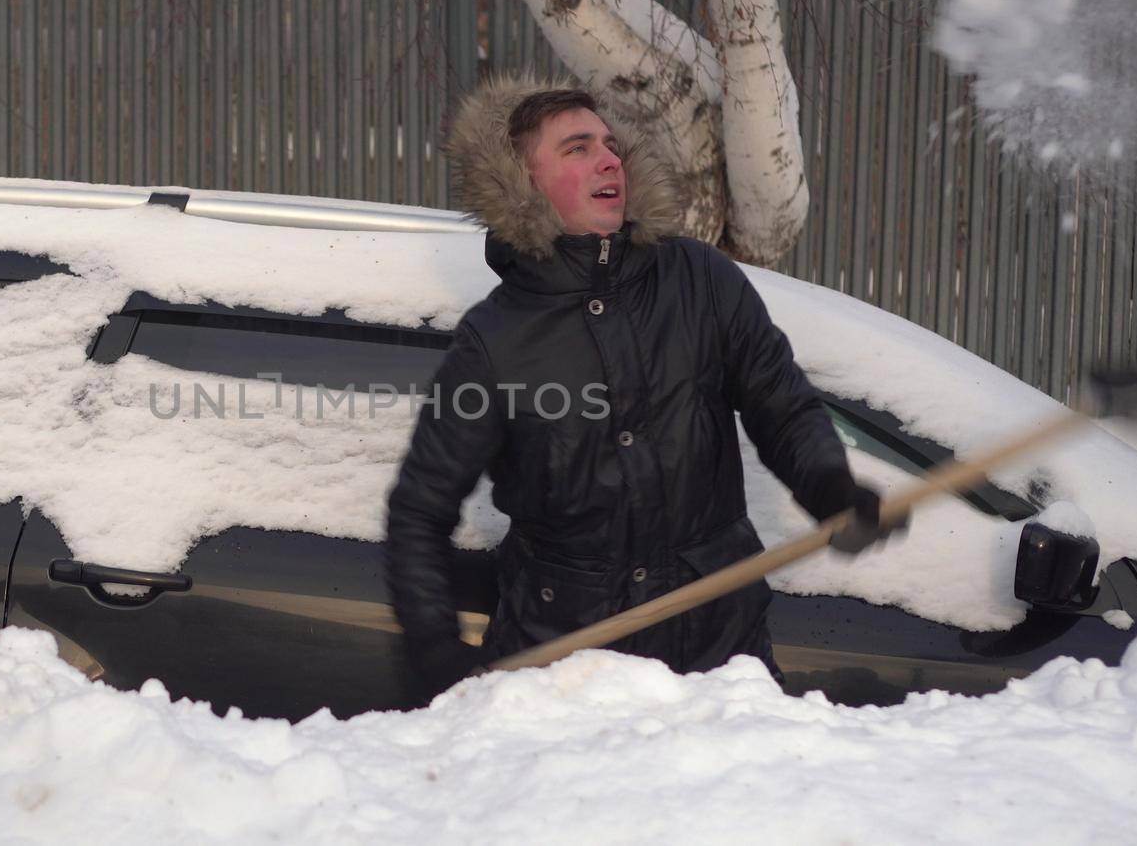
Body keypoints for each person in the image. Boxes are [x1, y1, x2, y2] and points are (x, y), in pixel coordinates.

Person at [385, 75, 906, 697]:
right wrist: (434, 647)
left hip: (719, 656)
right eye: (577, 148)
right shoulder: (495, 340)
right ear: (521, 183)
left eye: (609, 144)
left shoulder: (700, 279)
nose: (609, 158)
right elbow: (420, 511)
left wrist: (829, 486)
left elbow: (782, 405)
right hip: (566, 672)